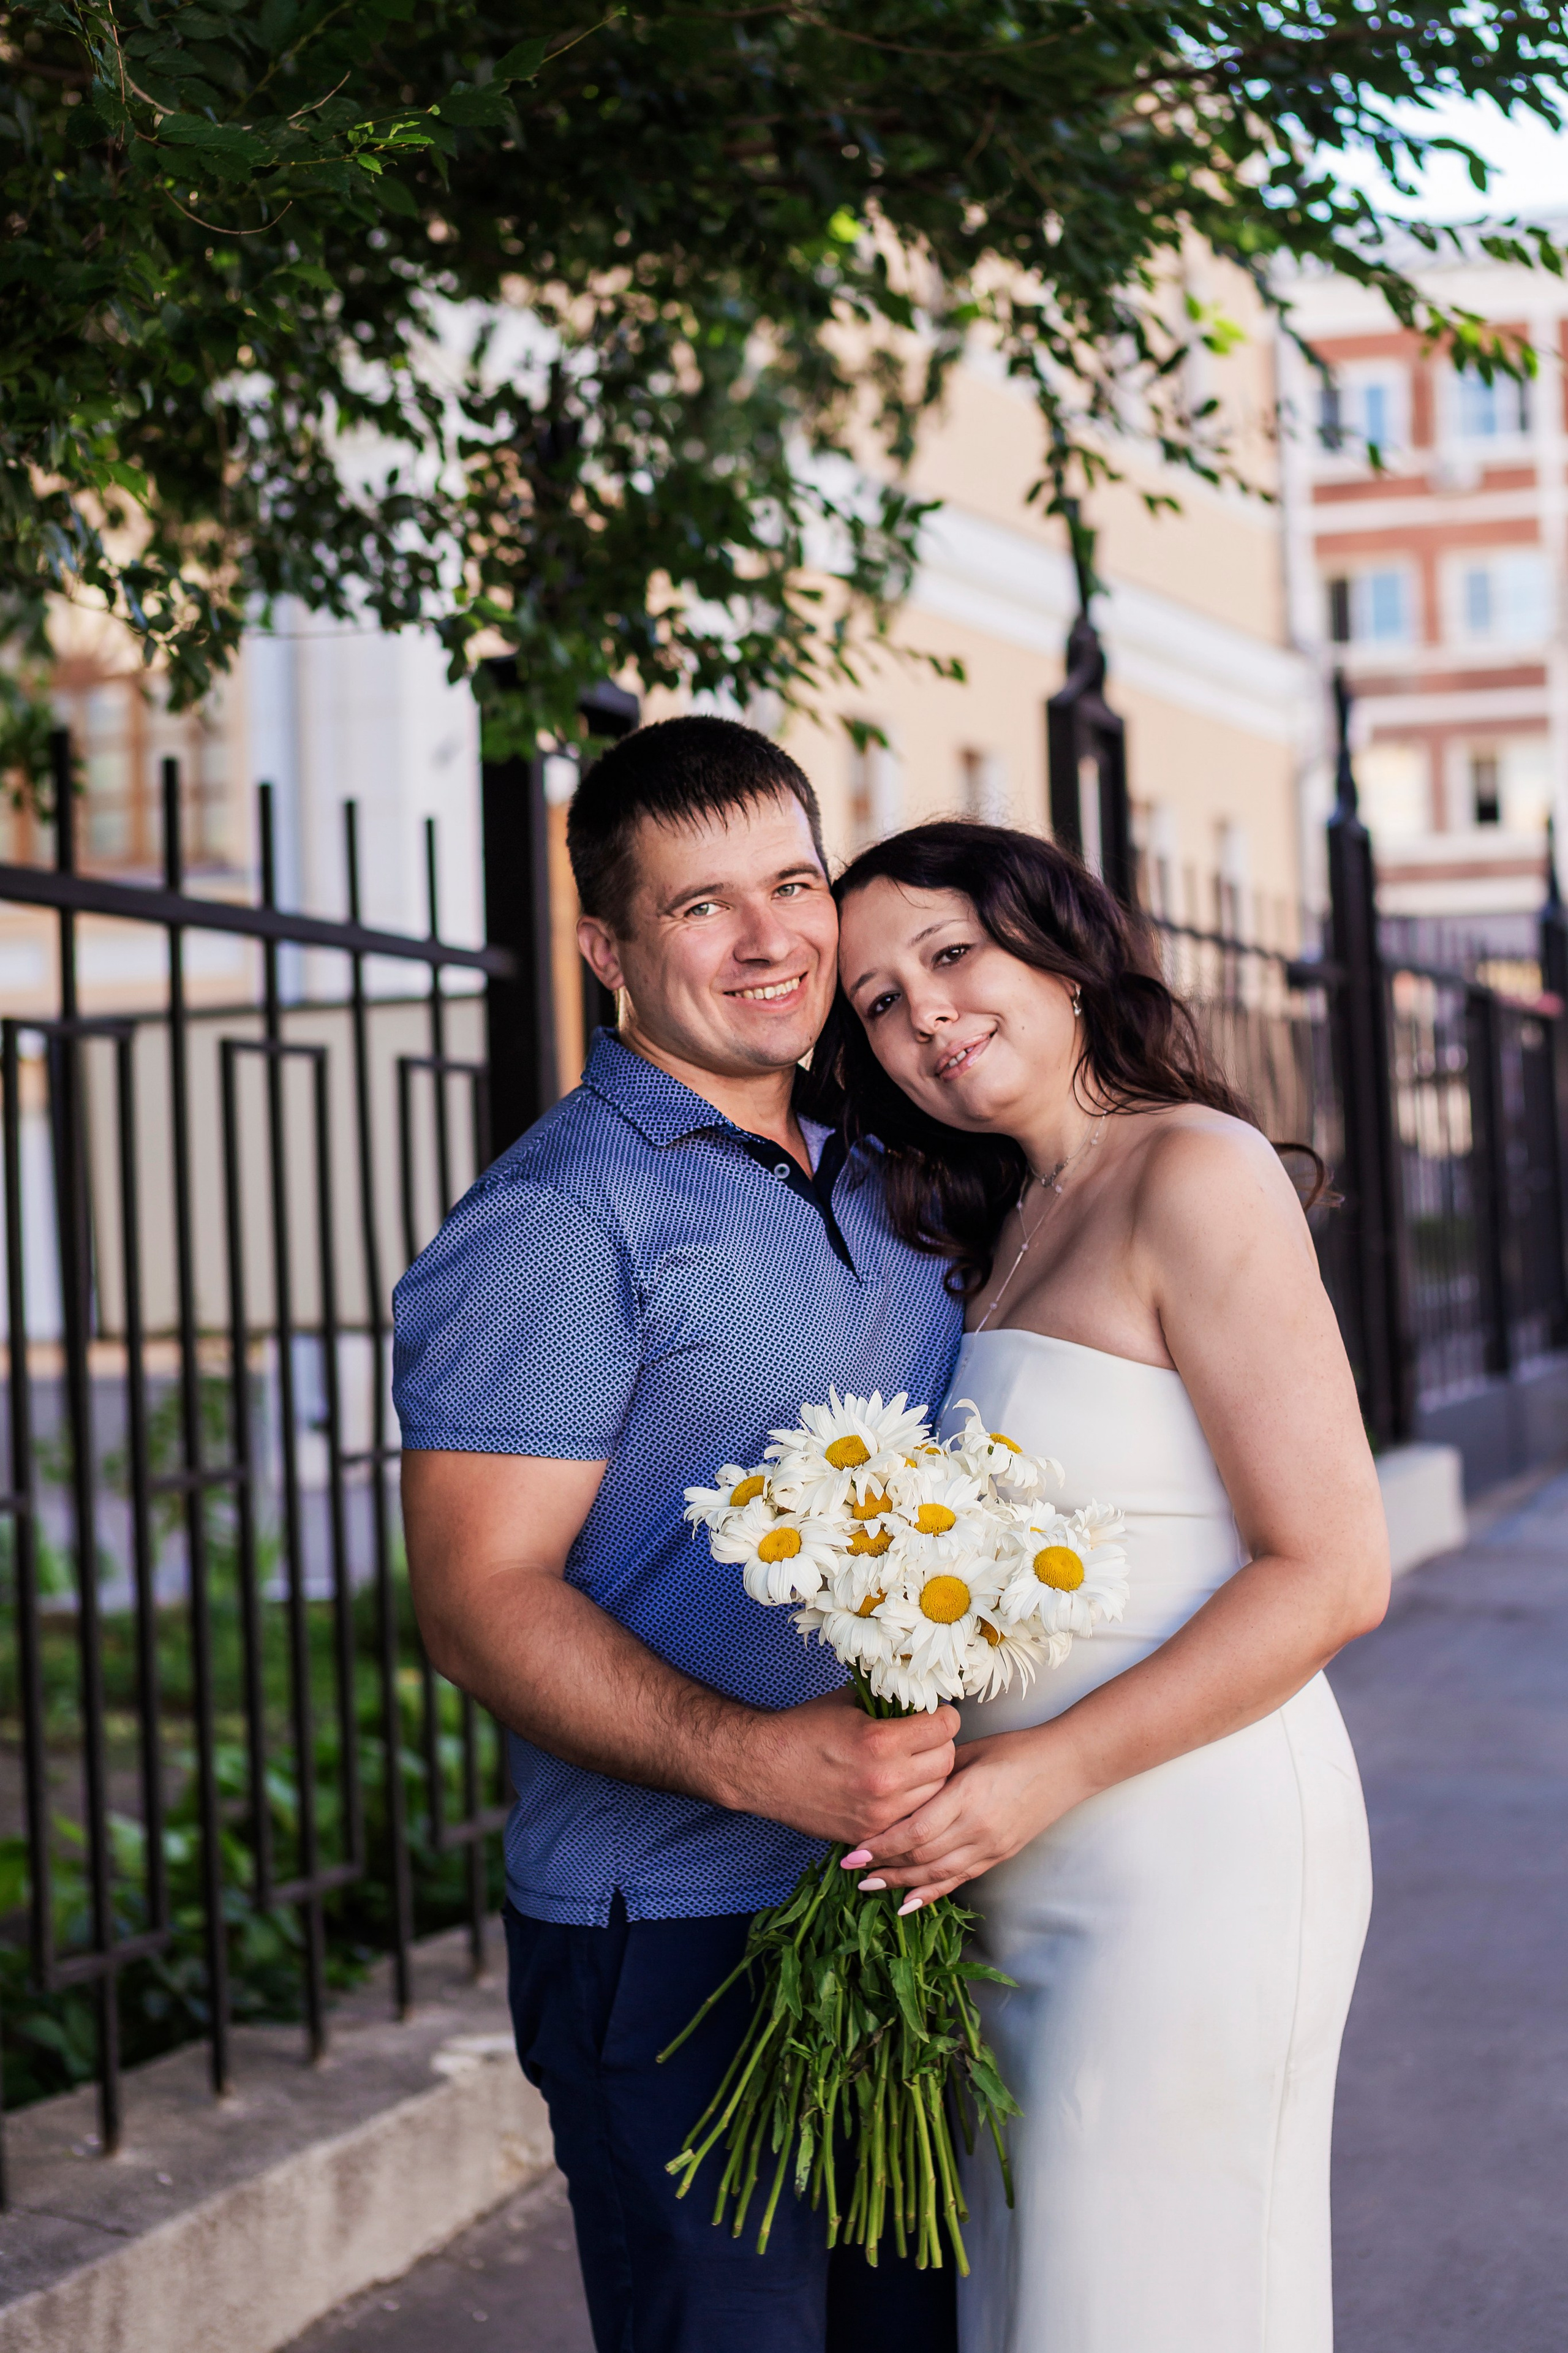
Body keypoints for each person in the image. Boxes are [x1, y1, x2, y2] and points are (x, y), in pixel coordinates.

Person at [391, 717, 962, 2353]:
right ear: (606, 951)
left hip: (891, 1906)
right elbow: (476, 1601)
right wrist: (754, 1759)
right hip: (669, 1938)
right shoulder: (560, 1220)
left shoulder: (888, 1166)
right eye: (704, 906)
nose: (775, 937)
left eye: (796, 882)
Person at [815, 820, 1389, 2353]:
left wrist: (1039, 1775)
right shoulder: (1006, 1222)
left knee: (1152, 2302)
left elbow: (1332, 1571)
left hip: (1186, 1851)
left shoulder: (1194, 1170)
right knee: (1046, 2305)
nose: (920, 1013)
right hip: (1023, 1860)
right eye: (874, 999)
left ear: (1062, 949)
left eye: (949, 954)